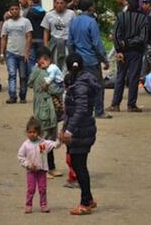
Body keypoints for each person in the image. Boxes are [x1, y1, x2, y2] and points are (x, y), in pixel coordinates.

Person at [61, 53, 98, 215]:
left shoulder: (80, 85)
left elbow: (81, 109)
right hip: (80, 130)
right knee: (77, 164)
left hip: (81, 131)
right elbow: (69, 111)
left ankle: (85, 203)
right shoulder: (77, 82)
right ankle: (88, 198)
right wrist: (64, 128)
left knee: (80, 166)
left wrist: (69, 130)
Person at [68, 0, 111, 119]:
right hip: (91, 60)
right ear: (91, 7)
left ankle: (81, 109)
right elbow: (97, 44)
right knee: (97, 85)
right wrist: (104, 59)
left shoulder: (74, 21)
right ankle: (99, 111)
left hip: (78, 60)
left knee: (80, 85)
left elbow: (70, 42)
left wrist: (72, 57)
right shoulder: (92, 22)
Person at [28, 47, 64, 179]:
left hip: (42, 109)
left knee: (46, 141)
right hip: (46, 111)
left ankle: (50, 167)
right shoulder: (44, 75)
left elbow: (30, 83)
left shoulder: (36, 72)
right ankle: (44, 168)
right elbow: (57, 90)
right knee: (45, 141)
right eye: (45, 59)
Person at [106, 0, 148, 113]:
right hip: (136, 52)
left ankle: (115, 104)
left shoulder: (120, 17)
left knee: (120, 77)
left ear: (128, 5)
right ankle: (131, 105)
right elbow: (143, 37)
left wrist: (119, 48)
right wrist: (130, 42)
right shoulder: (143, 19)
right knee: (134, 78)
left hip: (122, 52)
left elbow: (115, 35)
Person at [17, 117, 61, 214]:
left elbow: (55, 145)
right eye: (30, 132)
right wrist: (27, 164)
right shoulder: (25, 145)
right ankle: (28, 205)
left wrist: (59, 139)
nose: (32, 134)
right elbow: (20, 157)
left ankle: (43, 204)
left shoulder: (43, 143)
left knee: (42, 189)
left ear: (39, 133)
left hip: (41, 171)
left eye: (34, 132)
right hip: (31, 172)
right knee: (31, 189)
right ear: (27, 132)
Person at [0, 1, 32, 104]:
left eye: (16, 9)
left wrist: (27, 52)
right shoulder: (7, 23)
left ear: (19, 10)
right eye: (12, 10)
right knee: (12, 74)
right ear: (9, 11)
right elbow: (4, 38)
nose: (14, 11)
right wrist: (2, 53)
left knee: (23, 76)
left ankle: (22, 96)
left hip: (22, 53)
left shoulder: (25, 22)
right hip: (10, 53)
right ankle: (12, 95)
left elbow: (29, 37)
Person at [41, 0, 75, 71]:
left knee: (66, 64)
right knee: (54, 64)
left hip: (67, 42)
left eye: (61, 3)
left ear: (65, 4)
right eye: (57, 3)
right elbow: (46, 31)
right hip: (54, 43)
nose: (59, 5)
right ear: (54, 4)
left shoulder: (71, 14)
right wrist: (46, 45)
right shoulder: (49, 15)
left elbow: (74, 29)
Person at [25, 0, 46, 73]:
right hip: (41, 39)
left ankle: (33, 78)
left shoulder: (28, 12)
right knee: (41, 59)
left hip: (31, 39)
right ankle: (41, 76)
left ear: (30, 1)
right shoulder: (44, 12)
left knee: (31, 60)